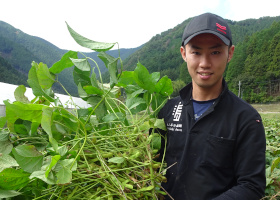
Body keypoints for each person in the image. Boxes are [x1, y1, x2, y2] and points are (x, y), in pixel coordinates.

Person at [157, 13, 266, 200]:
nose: (205, 63)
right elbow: (150, 163)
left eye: (215, 52)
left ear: (230, 53)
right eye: (196, 52)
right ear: (184, 53)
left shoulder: (246, 119)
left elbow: (251, 186)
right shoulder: (167, 111)